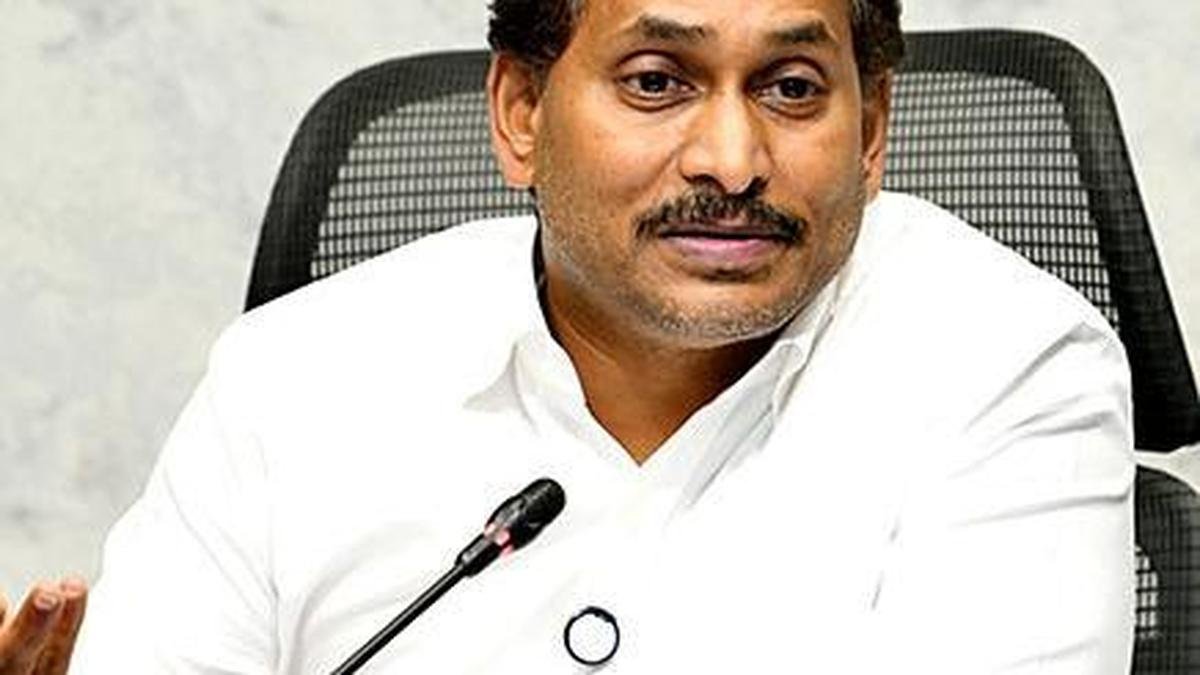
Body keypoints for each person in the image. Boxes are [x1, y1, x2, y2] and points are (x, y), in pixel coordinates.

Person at [3, 0, 1135, 671]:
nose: (732, 160)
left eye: (792, 89)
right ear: (521, 114)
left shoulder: (1011, 364)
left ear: (874, 129)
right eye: (657, 81)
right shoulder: (294, 375)